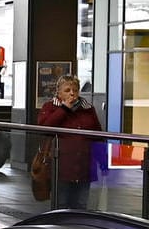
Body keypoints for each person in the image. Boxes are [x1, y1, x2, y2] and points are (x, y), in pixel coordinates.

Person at [36, 74, 101, 210]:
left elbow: (98, 135)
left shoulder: (87, 109)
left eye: (75, 90)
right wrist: (64, 109)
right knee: (61, 205)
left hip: (84, 167)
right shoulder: (50, 107)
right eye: (67, 90)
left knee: (81, 205)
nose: (72, 93)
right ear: (58, 92)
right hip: (60, 167)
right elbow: (44, 128)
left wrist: (102, 161)